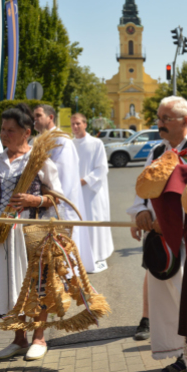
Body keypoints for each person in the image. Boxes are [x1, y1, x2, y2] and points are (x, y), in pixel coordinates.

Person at [127, 96, 187, 372]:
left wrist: (175, 221)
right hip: (161, 242)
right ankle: (180, 355)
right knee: (166, 301)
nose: (159, 123)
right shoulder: (158, 150)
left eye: (166, 118)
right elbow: (143, 188)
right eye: (159, 117)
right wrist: (140, 211)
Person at [0, 104, 64, 361]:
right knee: (10, 283)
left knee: (36, 281)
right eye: (2, 129)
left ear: (26, 132)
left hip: (29, 230)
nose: (4, 134)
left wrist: (34, 200)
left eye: (10, 130)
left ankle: (39, 337)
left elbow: (57, 197)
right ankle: (19, 338)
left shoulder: (38, 160)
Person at [33, 104, 95, 273]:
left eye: (38, 115)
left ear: (50, 117)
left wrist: (53, 198)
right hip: (43, 201)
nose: (34, 120)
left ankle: (67, 272)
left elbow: (64, 175)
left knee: (64, 244)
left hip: (59, 202)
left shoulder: (62, 140)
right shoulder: (36, 139)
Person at [71, 113, 114, 273]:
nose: (75, 127)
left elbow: (102, 167)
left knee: (93, 221)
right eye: (73, 124)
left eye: (78, 124)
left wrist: (85, 180)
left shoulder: (96, 143)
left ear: (85, 124)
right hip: (76, 191)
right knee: (79, 222)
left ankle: (97, 255)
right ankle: (80, 256)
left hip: (92, 192)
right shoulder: (70, 144)